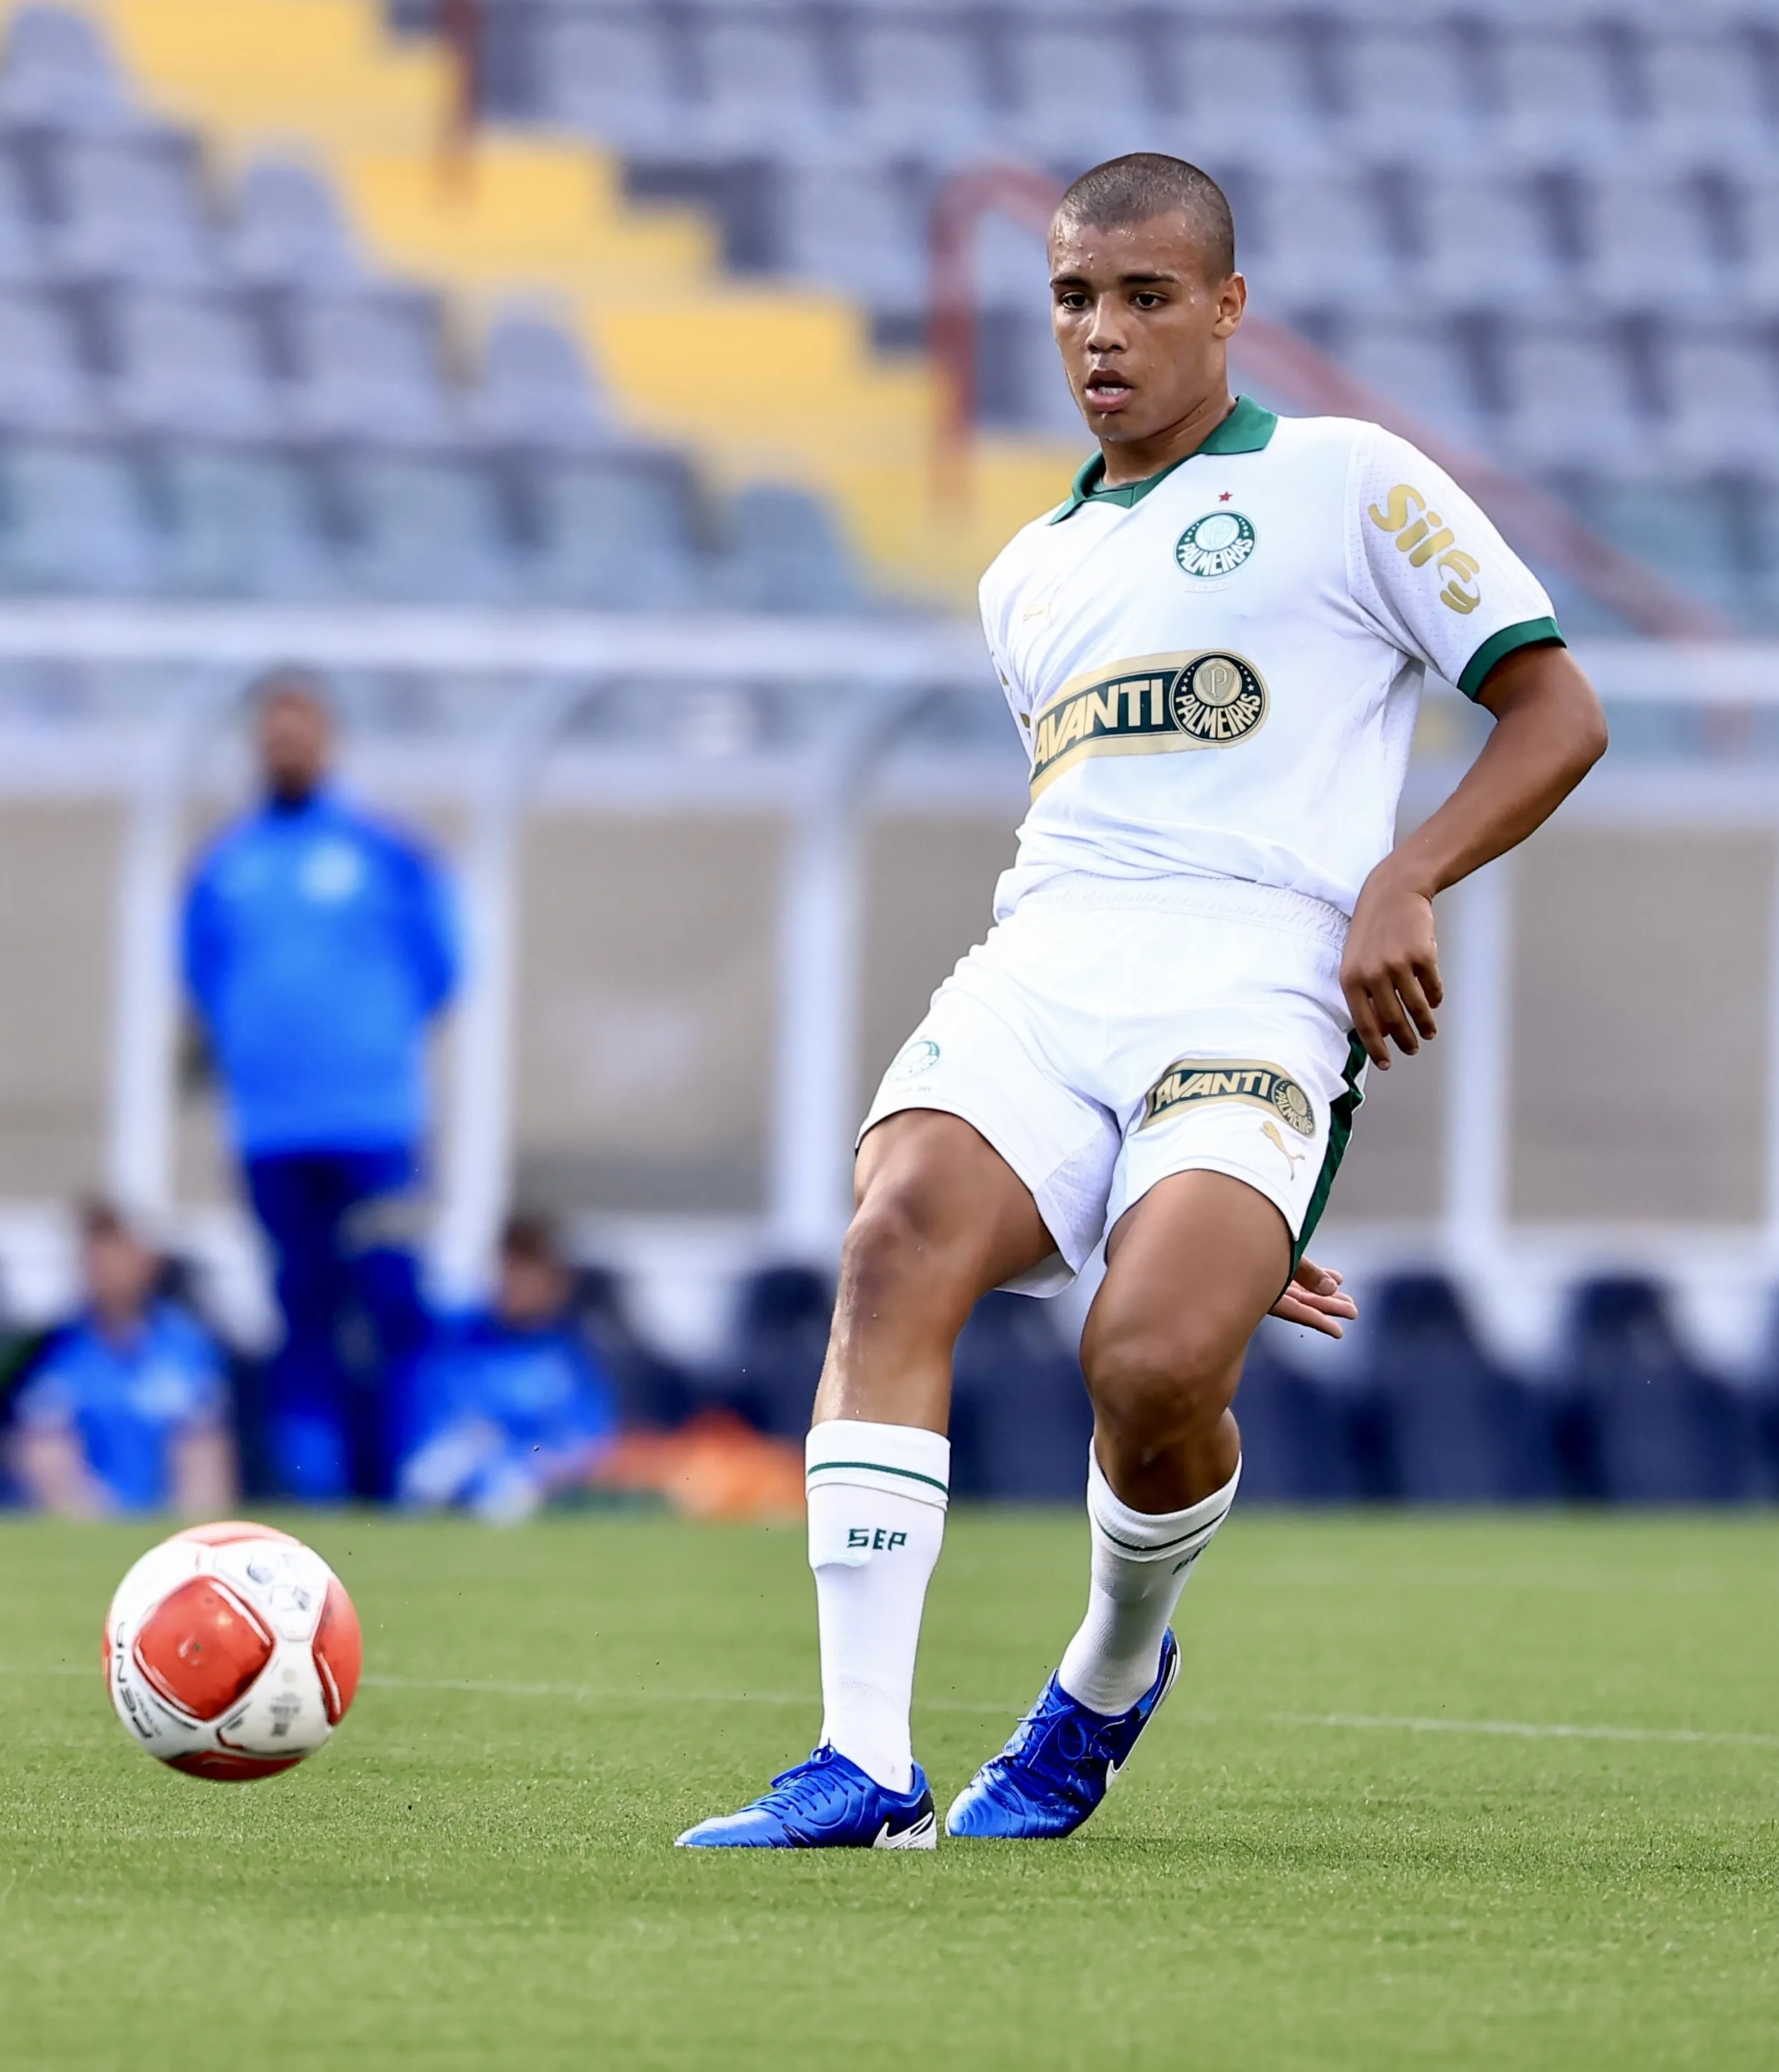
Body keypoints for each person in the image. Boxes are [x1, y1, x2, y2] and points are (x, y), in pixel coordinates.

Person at [679, 155, 1606, 1851]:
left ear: (1227, 308)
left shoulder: (1345, 484)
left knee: (1154, 1357)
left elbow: (1554, 711)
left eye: (1143, 296)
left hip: (1254, 985)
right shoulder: (1023, 574)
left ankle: (1101, 1683)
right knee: (890, 1235)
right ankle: (860, 1758)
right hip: (1045, 967)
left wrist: (1400, 879)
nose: (1100, 334)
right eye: (1071, 299)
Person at [181, 669, 460, 1502]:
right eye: (270, 735)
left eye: (297, 732)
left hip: (375, 1126)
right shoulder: (225, 866)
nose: (283, 748)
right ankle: (318, 1489)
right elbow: (202, 977)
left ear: (327, 740)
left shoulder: (385, 853)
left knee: (392, 1302)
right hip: (271, 1130)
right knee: (301, 1312)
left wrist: (362, 1042)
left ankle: (402, 1482)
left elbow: (442, 969)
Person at [10, 1200, 234, 1517]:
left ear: (145, 1261)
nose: (105, 1268)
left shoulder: (188, 1347)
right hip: (91, 1519)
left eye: (117, 1253)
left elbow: (205, 1454)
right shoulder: (57, 1349)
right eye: (95, 1256)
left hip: (167, 1519)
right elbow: (45, 1451)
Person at [397, 1215, 616, 1523]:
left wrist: (536, 1469)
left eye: (529, 1271)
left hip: (535, 1491)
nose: (516, 1282)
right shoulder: (458, 1343)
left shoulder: (569, 1358)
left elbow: (588, 1443)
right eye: (510, 1268)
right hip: (460, 1482)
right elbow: (431, 1432)